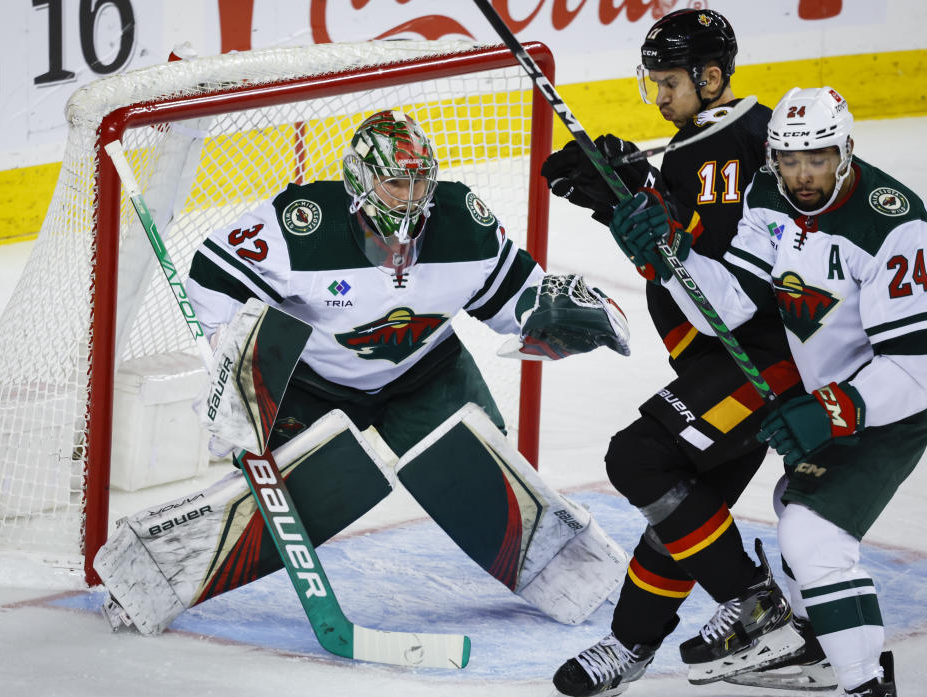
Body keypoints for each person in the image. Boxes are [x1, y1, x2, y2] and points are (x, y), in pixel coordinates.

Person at [91, 109, 632, 637]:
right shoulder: (300, 225)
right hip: (312, 384)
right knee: (292, 495)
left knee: (478, 473)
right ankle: (148, 576)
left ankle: (585, 580)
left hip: (428, 374)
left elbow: (513, 296)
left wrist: (550, 318)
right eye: (397, 183)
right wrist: (230, 367)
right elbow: (214, 275)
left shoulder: (464, 221)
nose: (412, 197)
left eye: (421, 183)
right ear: (359, 180)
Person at [541, 9, 826, 696]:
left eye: (669, 82)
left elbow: (728, 299)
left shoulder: (731, 152)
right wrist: (633, 195)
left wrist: (651, 225)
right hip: (720, 367)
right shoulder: (704, 147)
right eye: (654, 83)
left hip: (760, 364)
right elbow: (681, 247)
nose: (661, 97)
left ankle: (755, 602)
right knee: (683, 508)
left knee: (639, 456)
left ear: (711, 76)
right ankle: (633, 641)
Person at [612, 85, 922, 697]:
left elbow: (918, 366)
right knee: (793, 512)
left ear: (847, 150)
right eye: (789, 160)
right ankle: (816, 645)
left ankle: (863, 685)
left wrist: (835, 409)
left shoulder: (893, 225)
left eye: (819, 159)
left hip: (892, 408)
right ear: (772, 157)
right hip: (827, 399)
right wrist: (672, 256)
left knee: (813, 537)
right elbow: (725, 307)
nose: (804, 176)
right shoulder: (765, 194)